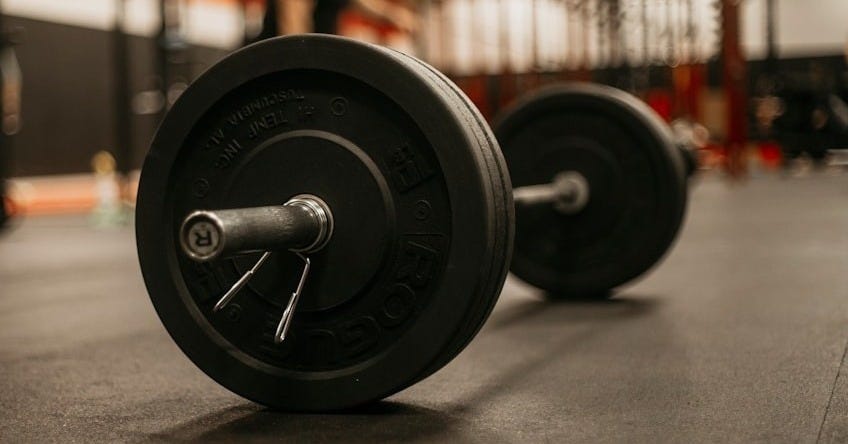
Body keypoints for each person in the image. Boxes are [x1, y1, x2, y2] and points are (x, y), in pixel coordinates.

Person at [245, 0, 417, 48]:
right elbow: (293, 23)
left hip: (318, 48)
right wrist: (303, 57)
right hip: (283, 54)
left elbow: (357, 2)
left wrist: (391, 15)